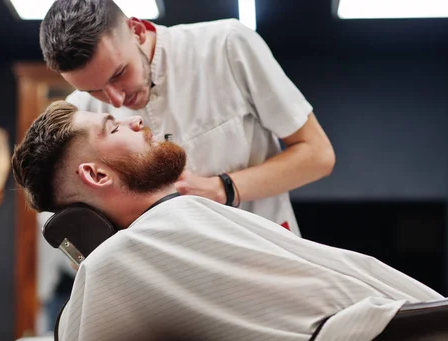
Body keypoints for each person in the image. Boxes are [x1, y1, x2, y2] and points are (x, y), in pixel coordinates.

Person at [12, 100, 448, 341]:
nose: (136, 120)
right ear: (97, 176)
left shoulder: (148, 247)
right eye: (113, 126)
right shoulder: (133, 255)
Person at [38, 0, 336, 236]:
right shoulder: (82, 113)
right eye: (94, 89)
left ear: (137, 30)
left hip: (269, 250)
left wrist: (224, 188)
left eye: (119, 73)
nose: (115, 100)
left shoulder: (226, 45)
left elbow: (318, 155)